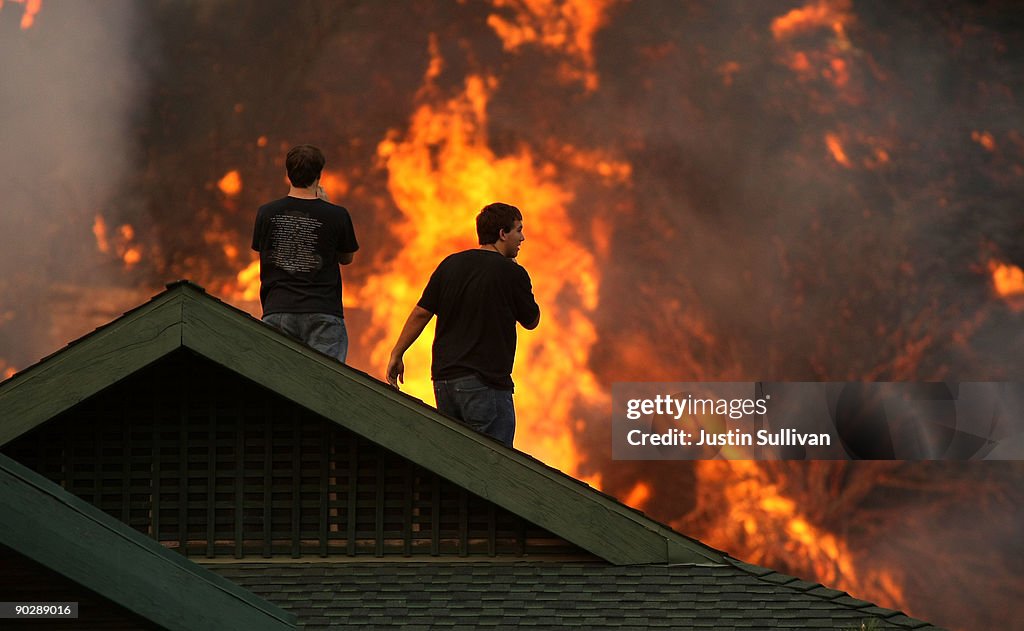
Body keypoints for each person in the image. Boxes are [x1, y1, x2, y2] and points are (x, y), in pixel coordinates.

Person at [386, 202, 540, 447]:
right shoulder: (512, 273)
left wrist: (397, 352)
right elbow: (532, 321)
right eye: (518, 230)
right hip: (486, 385)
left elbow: (420, 313)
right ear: (502, 234)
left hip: (444, 382)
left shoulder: (450, 265)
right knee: (495, 465)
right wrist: (517, 276)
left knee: (455, 460)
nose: (523, 237)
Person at [252, 144, 358, 361]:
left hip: (277, 310)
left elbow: (263, 252)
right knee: (324, 386)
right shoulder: (337, 215)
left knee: (277, 383)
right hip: (323, 314)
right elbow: (346, 259)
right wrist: (325, 208)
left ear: (288, 174)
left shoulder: (266, 213)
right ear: (319, 174)